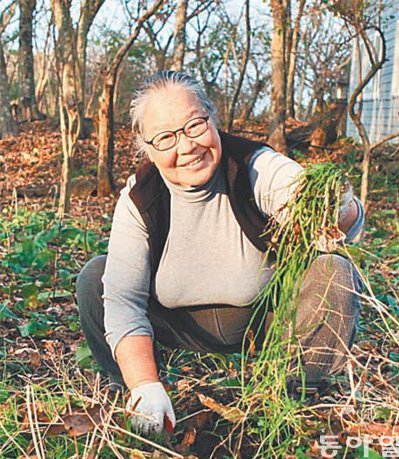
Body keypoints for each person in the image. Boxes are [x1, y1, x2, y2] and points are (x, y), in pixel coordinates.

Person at [76, 71, 364, 436]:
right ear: (147, 148)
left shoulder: (256, 166)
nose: (186, 147)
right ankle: (137, 396)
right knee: (95, 278)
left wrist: (336, 206)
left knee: (332, 270)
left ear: (213, 118)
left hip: (265, 322)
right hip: (178, 324)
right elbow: (123, 300)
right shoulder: (140, 198)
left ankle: (299, 397)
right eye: (166, 138)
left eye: (195, 125)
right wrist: (144, 384)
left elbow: (329, 218)